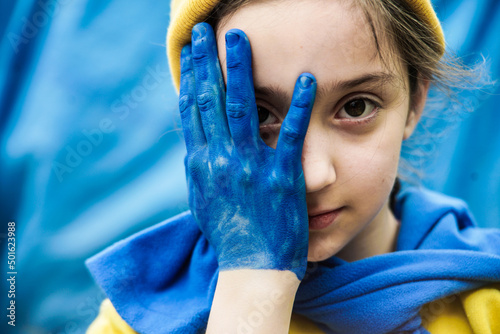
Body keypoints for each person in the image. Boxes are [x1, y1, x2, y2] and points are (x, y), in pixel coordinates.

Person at [85, 0, 500, 333]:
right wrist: (254, 279)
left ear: (415, 101)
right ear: (202, 118)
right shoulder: (135, 320)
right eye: (258, 116)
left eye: (356, 107)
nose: (314, 176)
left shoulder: (488, 305)